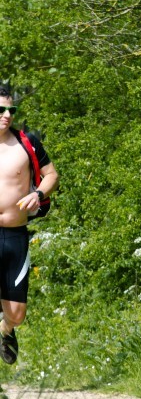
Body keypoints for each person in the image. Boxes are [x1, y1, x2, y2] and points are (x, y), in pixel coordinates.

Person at [0, 85, 59, 365]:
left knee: (17, 314)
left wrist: (38, 194)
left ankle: (6, 331)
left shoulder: (27, 142)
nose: (7, 115)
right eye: (1, 110)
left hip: (15, 236)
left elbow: (52, 175)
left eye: (10, 110)